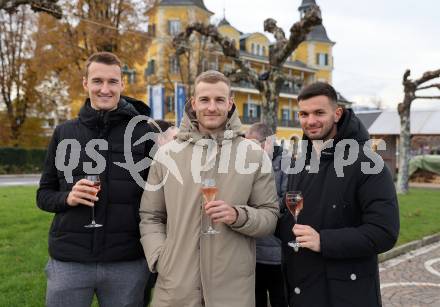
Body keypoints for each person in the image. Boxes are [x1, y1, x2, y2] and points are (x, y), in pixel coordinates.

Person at [139, 70, 279, 307]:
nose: (211, 107)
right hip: (176, 289)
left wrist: (238, 215)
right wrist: (160, 259)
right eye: (204, 100)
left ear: (230, 103)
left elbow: (269, 216)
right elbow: (150, 216)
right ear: (193, 103)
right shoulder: (166, 155)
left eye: (219, 100)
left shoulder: (253, 155)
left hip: (232, 291)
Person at [37, 51, 154, 307]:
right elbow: (43, 195)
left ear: (123, 85)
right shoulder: (64, 132)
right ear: (85, 83)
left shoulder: (144, 132)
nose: (105, 89)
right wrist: (67, 197)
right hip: (70, 261)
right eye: (97, 81)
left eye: (112, 82)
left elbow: (159, 197)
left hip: (127, 261)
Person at [278, 82, 400, 307]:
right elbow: (291, 216)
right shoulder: (300, 161)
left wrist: (324, 241)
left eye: (319, 113)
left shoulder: (368, 163)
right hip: (301, 291)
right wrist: (249, 216)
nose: (310, 120)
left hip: (346, 295)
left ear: (337, 113)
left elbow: (384, 232)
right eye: (304, 114)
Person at [245, 123, 288, 307]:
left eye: (253, 145)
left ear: (268, 143)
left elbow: (290, 200)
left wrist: (260, 210)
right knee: (256, 300)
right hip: (251, 251)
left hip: (277, 251)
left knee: (280, 299)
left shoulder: (288, 165)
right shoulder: (247, 164)